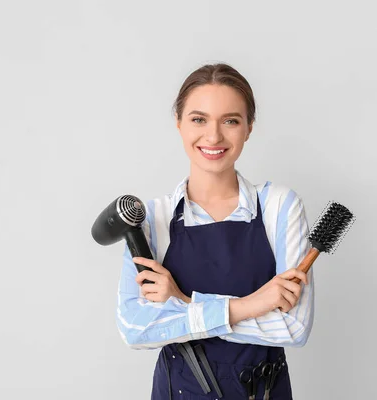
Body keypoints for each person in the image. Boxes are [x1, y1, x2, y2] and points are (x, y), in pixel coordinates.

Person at [116, 63, 314, 400]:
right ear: (178, 123)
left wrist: (181, 302)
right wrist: (251, 305)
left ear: (249, 127)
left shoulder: (280, 207)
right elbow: (135, 329)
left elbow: (292, 327)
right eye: (199, 119)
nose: (213, 136)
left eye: (231, 121)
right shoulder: (152, 219)